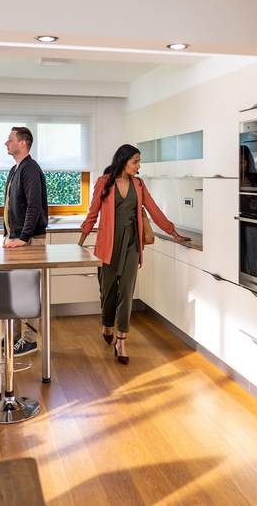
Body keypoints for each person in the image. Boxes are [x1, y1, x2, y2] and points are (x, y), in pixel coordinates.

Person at [79, 144, 190, 365]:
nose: (138, 166)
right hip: (108, 243)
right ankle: (107, 323)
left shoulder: (138, 184)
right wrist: (80, 242)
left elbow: (154, 209)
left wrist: (173, 232)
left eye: (139, 162)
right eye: (135, 161)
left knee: (127, 290)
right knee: (108, 290)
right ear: (123, 161)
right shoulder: (104, 182)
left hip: (131, 242)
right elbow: (93, 214)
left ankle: (121, 339)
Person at [2, 126, 48, 356]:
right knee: (19, 289)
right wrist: (9, 235)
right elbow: (12, 204)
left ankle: (30, 340)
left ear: (23, 143)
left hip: (28, 240)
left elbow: (34, 206)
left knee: (29, 290)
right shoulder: (16, 169)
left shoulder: (30, 169)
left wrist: (23, 237)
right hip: (18, 239)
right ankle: (19, 335)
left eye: (10, 139)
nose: (6, 143)